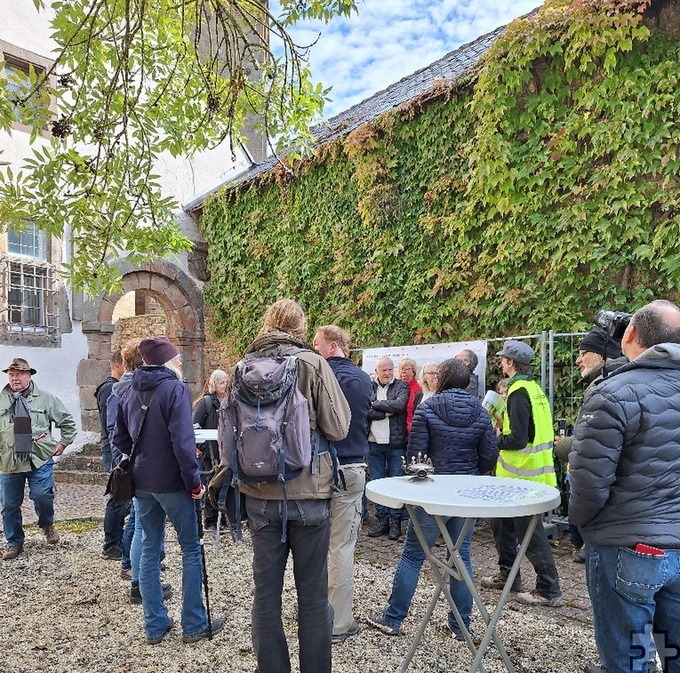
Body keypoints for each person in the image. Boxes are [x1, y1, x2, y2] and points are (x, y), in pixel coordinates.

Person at [224, 299, 350, 673]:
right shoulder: (312, 364)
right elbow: (339, 428)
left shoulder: (240, 367)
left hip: (259, 496)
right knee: (312, 597)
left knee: (265, 597)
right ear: (300, 328)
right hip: (310, 493)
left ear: (267, 324)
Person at [570, 300, 680, 673]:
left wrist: (587, 530)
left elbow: (587, 485)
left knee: (630, 659)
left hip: (628, 548)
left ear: (629, 335)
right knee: (673, 651)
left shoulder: (613, 393)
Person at [367, 358, 498, 640]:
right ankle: (461, 625)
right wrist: (469, 471)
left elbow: (415, 457)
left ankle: (393, 618)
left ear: (442, 379)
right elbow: (489, 455)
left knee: (413, 554)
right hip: (465, 493)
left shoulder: (428, 408)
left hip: (432, 492)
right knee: (461, 556)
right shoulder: (480, 411)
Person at [114, 336, 223, 644]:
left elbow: (120, 440)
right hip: (174, 483)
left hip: (142, 482)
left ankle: (154, 625)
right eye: (176, 359)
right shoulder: (174, 388)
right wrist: (195, 483)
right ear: (164, 361)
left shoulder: (129, 389)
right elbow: (183, 443)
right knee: (190, 549)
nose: (179, 363)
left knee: (149, 548)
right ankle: (193, 624)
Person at [480, 340, 563, 607]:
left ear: (510, 363)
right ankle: (508, 576)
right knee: (502, 526)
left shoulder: (517, 392)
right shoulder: (535, 389)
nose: (501, 362)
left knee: (530, 534)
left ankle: (548, 589)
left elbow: (518, 438)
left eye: (502, 358)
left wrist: (493, 441)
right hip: (522, 477)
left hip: (522, 479)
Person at [313, 324, 372, 645]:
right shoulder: (363, 380)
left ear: (333, 345)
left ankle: (318, 615)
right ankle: (337, 622)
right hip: (350, 466)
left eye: (317, 344)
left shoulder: (315, 375)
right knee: (342, 546)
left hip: (315, 469)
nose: (313, 348)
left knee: (314, 546)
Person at [553, 327, 624, 564]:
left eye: (584, 352)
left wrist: (563, 446)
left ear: (602, 356)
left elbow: (591, 447)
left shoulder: (604, 387)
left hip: (608, 518)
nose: (577, 359)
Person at [0, 357, 77, 560]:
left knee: (43, 496)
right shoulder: (1, 400)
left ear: (29, 376)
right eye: (11, 374)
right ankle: (14, 543)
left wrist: (63, 443)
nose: (15, 378)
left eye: (19, 374)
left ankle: (46, 523)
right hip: (9, 461)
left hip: (39, 458)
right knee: (9, 505)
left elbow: (67, 422)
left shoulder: (45, 398)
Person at [367, 357, 409, 541]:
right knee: (377, 482)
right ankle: (382, 520)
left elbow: (400, 405)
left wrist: (374, 404)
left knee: (396, 483)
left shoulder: (401, 386)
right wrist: (384, 412)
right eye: (383, 370)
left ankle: (395, 522)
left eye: (390, 369)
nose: (387, 373)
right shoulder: (369, 387)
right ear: (377, 371)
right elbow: (364, 409)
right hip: (373, 442)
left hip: (396, 443)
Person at [96, 349, 126, 560]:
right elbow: (112, 426)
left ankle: (118, 540)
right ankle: (111, 544)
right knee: (117, 497)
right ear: (117, 366)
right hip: (113, 449)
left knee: (121, 499)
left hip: (114, 448)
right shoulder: (110, 390)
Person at [192, 369, 229, 530]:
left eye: (226, 382)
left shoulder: (229, 402)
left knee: (226, 483)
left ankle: (226, 518)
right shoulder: (205, 403)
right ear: (214, 384)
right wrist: (198, 447)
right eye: (221, 382)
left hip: (225, 451)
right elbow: (194, 426)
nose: (225, 385)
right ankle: (211, 520)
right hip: (211, 451)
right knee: (211, 484)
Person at [398, 358, 422, 433]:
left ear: (413, 372)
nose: (403, 372)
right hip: (398, 429)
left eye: (407, 369)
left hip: (412, 429)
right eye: (401, 369)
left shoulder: (419, 389)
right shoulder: (396, 387)